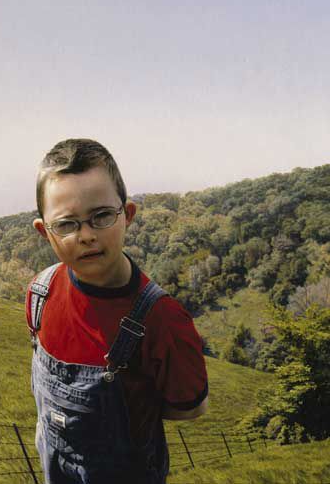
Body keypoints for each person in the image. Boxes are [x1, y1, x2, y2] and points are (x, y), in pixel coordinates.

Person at [26, 139, 208, 483]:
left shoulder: (163, 320)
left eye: (101, 216)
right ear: (43, 232)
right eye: (66, 224)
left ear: (128, 215)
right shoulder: (40, 293)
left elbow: (189, 409)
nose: (86, 235)